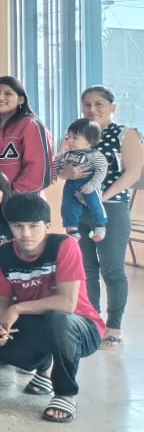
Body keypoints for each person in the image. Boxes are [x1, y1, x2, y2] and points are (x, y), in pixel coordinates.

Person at [0, 193, 103, 423]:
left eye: (34, 226)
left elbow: (67, 303)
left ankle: (65, 393)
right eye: (18, 226)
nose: (26, 234)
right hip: (42, 322)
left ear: (47, 226)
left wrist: (17, 309)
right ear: (9, 226)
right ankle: (43, 366)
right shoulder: (1, 255)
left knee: (59, 318)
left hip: (81, 326)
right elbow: (1, 303)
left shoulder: (64, 246)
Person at [64, 85, 143, 348]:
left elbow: (132, 173)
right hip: (78, 210)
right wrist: (67, 173)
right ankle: (92, 320)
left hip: (112, 208)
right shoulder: (77, 133)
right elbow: (63, 166)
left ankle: (114, 326)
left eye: (99, 104)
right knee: (86, 270)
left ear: (112, 107)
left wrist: (99, 197)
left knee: (112, 269)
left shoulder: (125, 133)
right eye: (87, 104)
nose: (92, 109)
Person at [0, 76, 53, 193]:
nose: (0, 97)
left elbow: (37, 170)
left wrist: (13, 195)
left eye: (8, 94)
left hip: (20, 200)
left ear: (21, 100)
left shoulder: (30, 125)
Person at [54, 119, 108, 242]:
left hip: (88, 183)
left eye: (75, 138)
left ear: (90, 140)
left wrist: (92, 185)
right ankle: (72, 230)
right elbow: (58, 163)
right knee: (67, 206)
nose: (70, 141)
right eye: (68, 137)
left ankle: (100, 225)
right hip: (70, 184)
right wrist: (55, 171)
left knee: (95, 203)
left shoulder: (95, 155)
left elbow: (101, 171)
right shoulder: (67, 153)